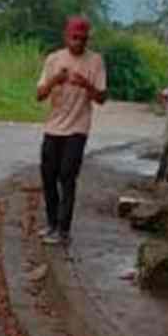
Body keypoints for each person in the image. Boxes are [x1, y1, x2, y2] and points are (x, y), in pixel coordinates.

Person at [35, 16, 107, 245]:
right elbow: (39, 95)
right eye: (74, 38)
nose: (78, 43)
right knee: (48, 177)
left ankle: (63, 231)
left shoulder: (95, 61)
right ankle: (52, 224)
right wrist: (56, 79)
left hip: (78, 128)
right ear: (66, 37)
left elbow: (102, 98)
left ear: (87, 40)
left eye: (83, 39)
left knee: (67, 176)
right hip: (53, 127)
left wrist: (86, 84)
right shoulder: (54, 59)